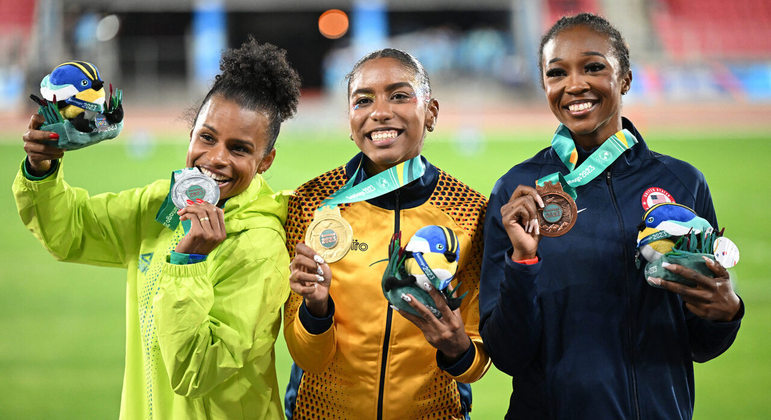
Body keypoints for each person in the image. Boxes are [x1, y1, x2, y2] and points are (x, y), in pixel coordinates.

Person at [13, 37, 301, 419]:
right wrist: (41, 168)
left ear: (266, 161)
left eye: (240, 149)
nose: (215, 159)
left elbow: (196, 372)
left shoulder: (259, 246)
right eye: (207, 137)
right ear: (192, 131)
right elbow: (72, 232)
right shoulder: (164, 204)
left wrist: (189, 261)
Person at [479, 13, 743, 419]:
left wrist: (725, 313)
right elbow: (508, 354)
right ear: (545, 86)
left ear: (625, 79)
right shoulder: (517, 193)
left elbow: (701, 344)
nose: (574, 84)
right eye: (556, 73)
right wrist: (523, 262)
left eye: (593, 67)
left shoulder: (682, 184)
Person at [283, 48, 491, 419]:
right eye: (363, 100)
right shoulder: (311, 204)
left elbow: (476, 363)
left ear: (431, 112)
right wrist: (317, 309)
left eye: (399, 95)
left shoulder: (471, 211)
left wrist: (456, 346)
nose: (379, 111)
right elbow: (305, 356)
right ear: (350, 120)